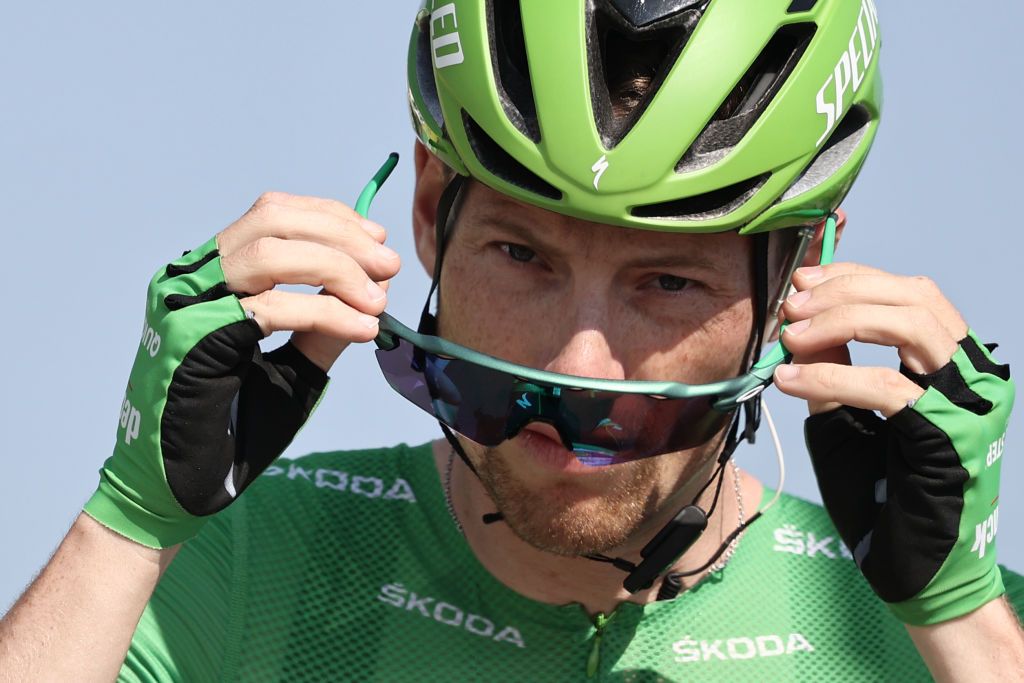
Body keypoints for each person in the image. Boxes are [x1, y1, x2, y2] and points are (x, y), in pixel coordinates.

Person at [2, 0, 1022, 680]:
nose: (578, 362)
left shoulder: (933, 631)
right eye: (522, 256)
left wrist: (959, 620)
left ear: (801, 271)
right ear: (431, 207)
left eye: (666, 281)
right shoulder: (236, 569)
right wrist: (125, 527)